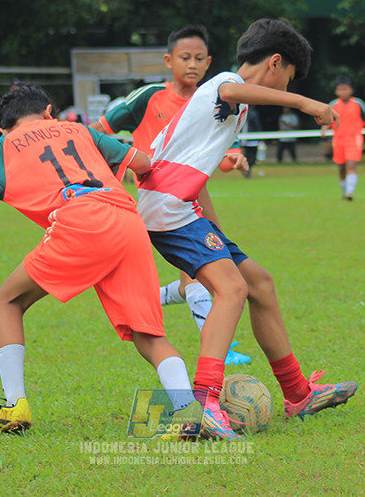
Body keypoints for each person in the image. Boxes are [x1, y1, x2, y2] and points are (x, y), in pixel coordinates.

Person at [0, 85, 214, 438]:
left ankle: (15, 406)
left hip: (79, 221)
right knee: (148, 332)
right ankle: (188, 413)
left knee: (8, 301)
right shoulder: (79, 129)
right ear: (49, 112)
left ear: (4, 129)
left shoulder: (2, 148)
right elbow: (143, 163)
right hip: (127, 221)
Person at [137, 18, 358, 439]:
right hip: (167, 208)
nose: (285, 87)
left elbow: (195, 173)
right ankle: (204, 402)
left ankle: (297, 393)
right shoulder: (224, 83)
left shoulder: (232, 108)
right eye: (287, 79)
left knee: (259, 283)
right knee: (232, 289)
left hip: (181, 208)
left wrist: (216, 234)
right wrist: (305, 104)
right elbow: (232, 89)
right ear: (275, 63)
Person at [90, 24, 251, 366]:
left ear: (209, 63)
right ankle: (221, 345)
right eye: (184, 58)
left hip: (194, 192)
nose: (191, 65)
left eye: (198, 59)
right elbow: (96, 132)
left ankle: (159, 300)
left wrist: (232, 160)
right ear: (168, 60)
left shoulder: (211, 99)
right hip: (152, 197)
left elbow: (218, 156)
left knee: (207, 266)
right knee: (202, 269)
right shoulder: (148, 97)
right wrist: (118, 161)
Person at [321, 76, 365, 201]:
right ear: (336, 91)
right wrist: (324, 129)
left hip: (354, 138)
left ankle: (350, 193)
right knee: (341, 168)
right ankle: (345, 193)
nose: (343, 92)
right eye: (340, 89)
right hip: (338, 139)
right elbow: (328, 121)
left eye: (345, 89)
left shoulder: (358, 104)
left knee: (351, 165)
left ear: (351, 90)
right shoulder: (333, 105)